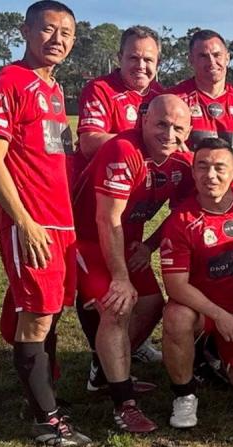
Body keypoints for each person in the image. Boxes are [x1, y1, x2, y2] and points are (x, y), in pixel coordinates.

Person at [0, 1, 91, 446]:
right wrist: (24, 221)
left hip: (60, 224)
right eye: (48, 29)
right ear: (25, 30)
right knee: (38, 317)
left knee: (46, 313)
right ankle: (46, 422)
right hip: (32, 223)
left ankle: (42, 397)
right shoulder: (8, 81)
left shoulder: (55, 89)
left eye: (66, 32)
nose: (57, 39)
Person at [71, 94, 195, 433]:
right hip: (87, 240)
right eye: (161, 124)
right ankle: (123, 403)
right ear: (143, 121)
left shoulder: (182, 162)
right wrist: (120, 277)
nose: (169, 133)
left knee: (153, 304)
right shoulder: (123, 150)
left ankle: (105, 369)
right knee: (118, 308)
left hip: (126, 243)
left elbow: (182, 214)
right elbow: (106, 219)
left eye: (177, 127)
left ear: (189, 129)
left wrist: (151, 245)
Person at [74, 25, 164, 385]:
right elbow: (90, 142)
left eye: (148, 59)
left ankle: (117, 356)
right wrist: (146, 141)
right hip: (93, 220)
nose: (140, 65)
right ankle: (108, 370)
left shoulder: (160, 96)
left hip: (132, 224)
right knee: (114, 305)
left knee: (152, 303)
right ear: (119, 58)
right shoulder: (102, 89)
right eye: (133, 57)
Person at [160, 137, 233, 429]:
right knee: (176, 316)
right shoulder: (180, 220)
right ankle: (184, 394)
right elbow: (175, 286)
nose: (210, 176)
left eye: (220, 168)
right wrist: (218, 316)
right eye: (202, 167)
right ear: (193, 172)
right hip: (204, 310)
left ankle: (211, 355)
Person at [169, 29, 233, 199]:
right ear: (190, 60)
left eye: (217, 55)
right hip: (188, 199)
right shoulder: (174, 100)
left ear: (228, 57)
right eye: (203, 56)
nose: (211, 62)